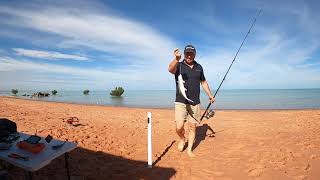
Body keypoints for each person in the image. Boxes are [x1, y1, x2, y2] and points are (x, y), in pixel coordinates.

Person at [168, 44, 215, 157]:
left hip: (195, 102)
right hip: (180, 101)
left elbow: (203, 82)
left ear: (195, 54)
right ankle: (182, 138)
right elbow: (170, 69)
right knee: (179, 127)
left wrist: (210, 95)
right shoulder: (178, 65)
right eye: (187, 53)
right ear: (184, 54)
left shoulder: (199, 67)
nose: (189, 55)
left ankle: (189, 150)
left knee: (192, 127)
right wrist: (176, 59)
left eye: (191, 53)